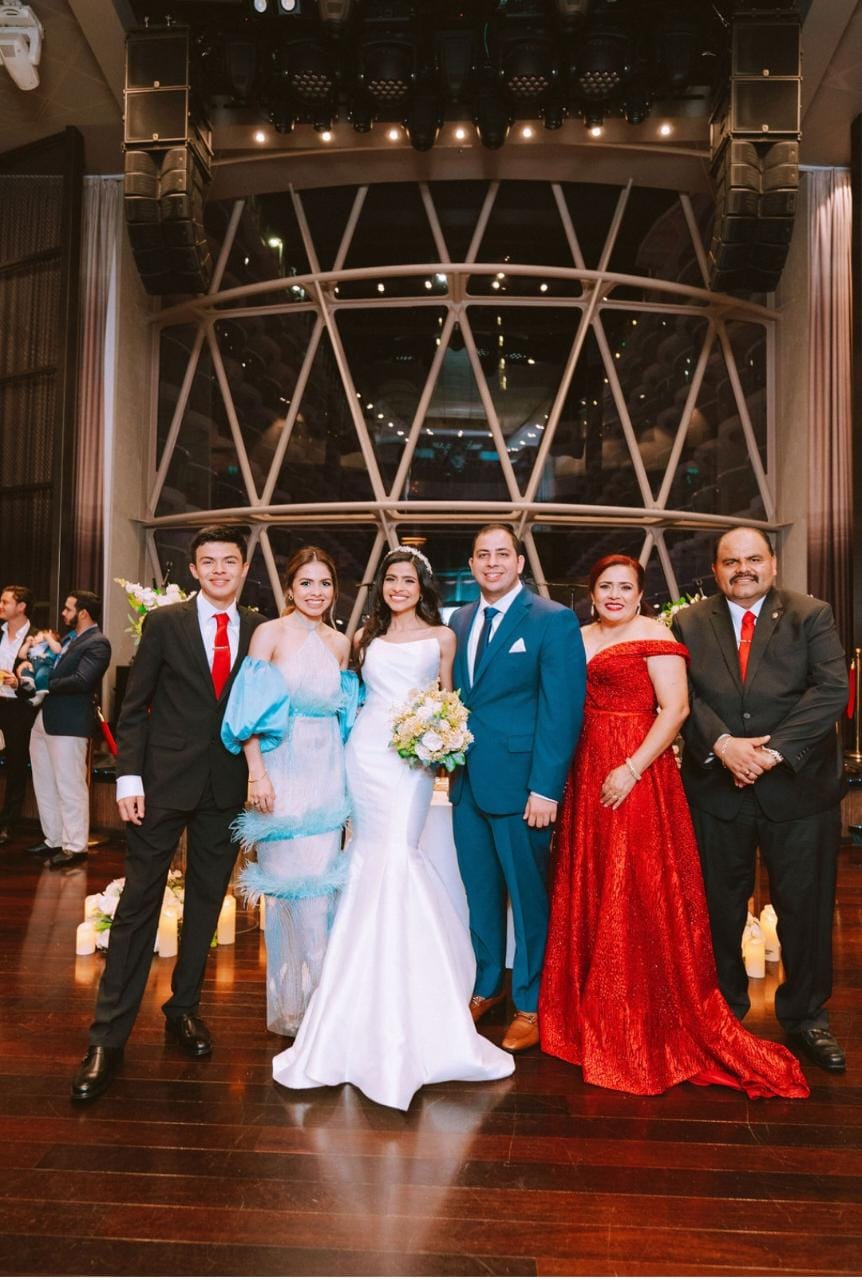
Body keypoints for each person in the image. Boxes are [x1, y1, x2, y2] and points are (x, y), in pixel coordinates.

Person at [539, 554, 809, 1099]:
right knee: (590, 882)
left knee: (631, 888)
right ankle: (586, 1013)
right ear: (592, 594)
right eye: (605, 587)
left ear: (640, 595)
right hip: (585, 769)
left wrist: (631, 768)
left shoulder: (654, 637)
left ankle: (636, 1019)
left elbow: (677, 710)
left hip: (636, 774)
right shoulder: (576, 634)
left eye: (625, 587)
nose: (614, 595)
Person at [272, 545, 514, 1110]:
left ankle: (416, 998)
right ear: (380, 587)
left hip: (410, 762)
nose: (398, 588)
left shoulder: (443, 638)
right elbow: (344, 701)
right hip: (366, 756)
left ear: (421, 587)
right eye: (390, 580)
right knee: (366, 856)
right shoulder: (364, 642)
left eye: (408, 580)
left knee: (399, 856)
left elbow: (447, 701)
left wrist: (439, 742)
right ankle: (353, 997)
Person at [70, 526, 263, 1103]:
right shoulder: (165, 623)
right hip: (159, 786)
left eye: (231, 561)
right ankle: (107, 1037)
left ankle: (182, 1010)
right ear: (195, 570)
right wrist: (129, 775)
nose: (221, 570)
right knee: (137, 907)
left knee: (206, 905)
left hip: (225, 787)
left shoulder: (259, 631)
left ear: (244, 568)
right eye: (210, 562)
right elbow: (134, 707)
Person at [672, 527, 849, 1074]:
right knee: (719, 909)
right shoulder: (690, 621)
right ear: (716, 568)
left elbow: (831, 691)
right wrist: (724, 744)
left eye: (753, 559)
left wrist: (770, 756)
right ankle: (723, 1014)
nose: (742, 569)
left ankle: (806, 1017)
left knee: (806, 908)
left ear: (772, 564)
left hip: (798, 789)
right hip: (717, 789)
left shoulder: (809, 614)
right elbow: (686, 697)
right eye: (731, 561)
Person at [448, 525, 586, 1053]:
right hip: (467, 785)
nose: (491, 562)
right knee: (480, 896)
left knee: (528, 901)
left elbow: (562, 710)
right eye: (482, 554)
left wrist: (546, 789)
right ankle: (488, 987)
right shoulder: (460, 619)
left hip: (525, 788)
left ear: (520, 562)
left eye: (502, 554)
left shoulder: (552, 620)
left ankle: (530, 1002)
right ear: (472, 562)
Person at [221, 546, 357, 1036]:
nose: (315, 592)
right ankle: (292, 1006)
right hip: (280, 770)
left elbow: (346, 721)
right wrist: (257, 773)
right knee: (286, 893)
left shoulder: (341, 644)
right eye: (306, 583)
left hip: (327, 774)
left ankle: (326, 1009)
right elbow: (249, 709)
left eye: (324, 584)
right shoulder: (270, 634)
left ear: (333, 591)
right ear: (289, 588)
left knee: (322, 891)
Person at [24, 591, 111, 871]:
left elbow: (82, 680)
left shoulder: (98, 643)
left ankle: (74, 845)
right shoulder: (68, 639)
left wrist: (44, 683)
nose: (63, 613)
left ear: (83, 612)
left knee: (70, 785)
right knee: (44, 781)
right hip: (46, 718)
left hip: (69, 722)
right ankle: (53, 838)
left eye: (68, 609)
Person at [0, 585, 37, 846]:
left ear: (21, 606)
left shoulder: (37, 638)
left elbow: (43, 678)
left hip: (18, 707)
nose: (1, 607)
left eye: (5, 602)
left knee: (15, 765)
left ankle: (8, 823)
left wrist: (18, 683)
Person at [17, 629, 63, 706]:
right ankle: (30, 686)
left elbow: (58, 650)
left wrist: (47, 637)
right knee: (25, 671)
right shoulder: (34, 648)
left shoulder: (51, 646)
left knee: (40, 676)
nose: (35, 637)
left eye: (38, 635)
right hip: (33, 667)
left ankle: (39, 697)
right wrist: (27, 643)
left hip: (45, 666)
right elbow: (21, 655)